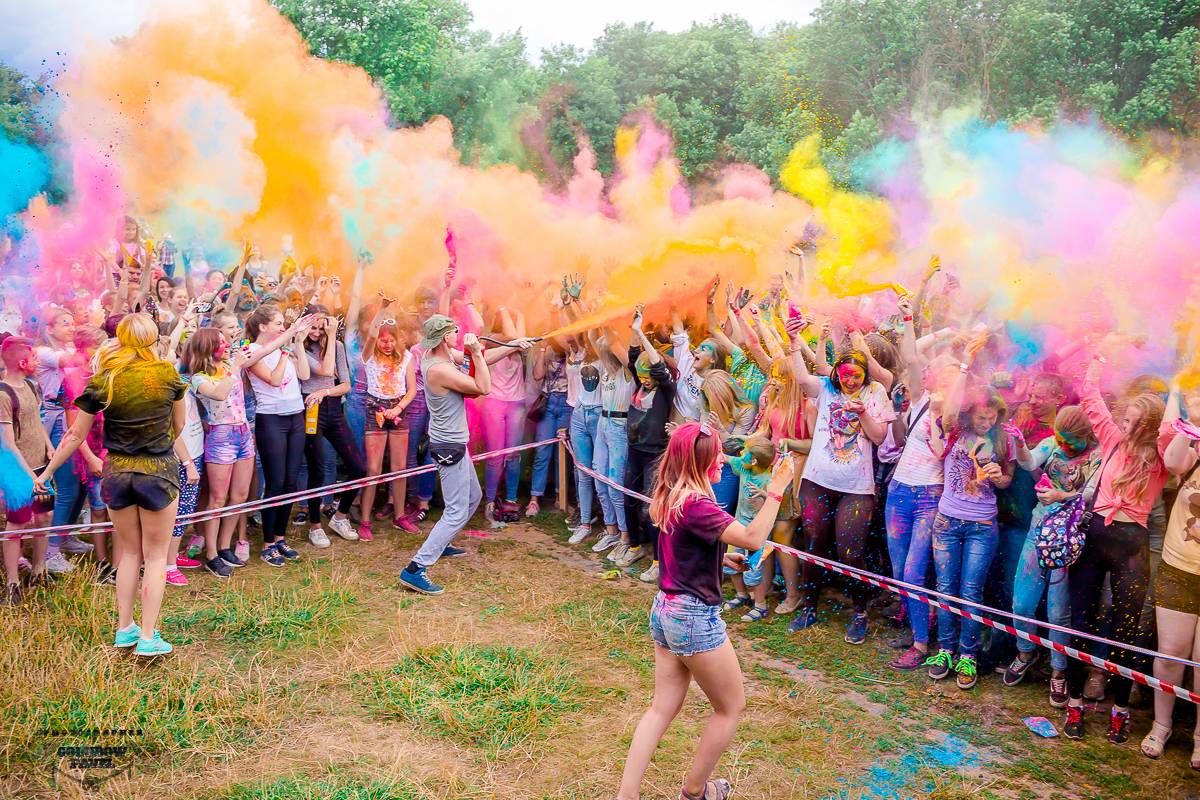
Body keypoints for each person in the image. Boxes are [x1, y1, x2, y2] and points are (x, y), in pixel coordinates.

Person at [615, 422, 793, 800]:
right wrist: (777, 489)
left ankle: (625, 796)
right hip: (693, 619)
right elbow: (752, 537)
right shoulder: (698, 504)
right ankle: (696, 791)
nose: (724, 460)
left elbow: (682, 549)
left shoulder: (672, 493)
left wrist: (720, 558)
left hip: (666, 610)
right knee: (731, 708)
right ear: (701, 461)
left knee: (661, 709)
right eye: (716, 454)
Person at [35, 314, 193, 657]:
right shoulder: (167, 374)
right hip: (158, 472)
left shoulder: (105, 377)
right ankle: (148, 636)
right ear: (152, 338)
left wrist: (46, 474)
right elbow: (178, 425)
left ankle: (125, 629)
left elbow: (75, 434)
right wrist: (154, 441)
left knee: (130, 553)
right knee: (153, 557)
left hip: (116, 472)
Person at [1064, 344, 1178, 742]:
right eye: (1124, 418)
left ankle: (1119, 710)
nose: (1123, 424)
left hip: (1132, 542)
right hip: (1096, 533)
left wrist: (1175, 393)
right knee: (1081, 620)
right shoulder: (1112, 438)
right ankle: (1076, 705)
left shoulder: (1162, 457)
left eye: (1132, 421)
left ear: (1147, 427)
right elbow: (1090, 397)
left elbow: (1169, 432)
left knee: (1125, 629)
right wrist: (1099, 357)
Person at [398, 314, 533, 595]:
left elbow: (483, 355)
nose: (458, 333)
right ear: (444, 337)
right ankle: (415, 569)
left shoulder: (443, 354)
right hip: (449, 446)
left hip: (453, 442)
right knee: (457, 509)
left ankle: (441, 541)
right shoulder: (438, 368)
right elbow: (483, 387)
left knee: (472, 497)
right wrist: (474, 353)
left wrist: (513, 345)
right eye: (453, 331)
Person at [790, 343, 894, 643]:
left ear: (865, 376)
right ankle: (809, 608)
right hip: (817, 481)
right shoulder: (825, 388)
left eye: (856, 376)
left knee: (851, 552)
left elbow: (877, 437)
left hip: (857, 489)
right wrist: (795, 346)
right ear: (836, 373)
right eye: (845, 375)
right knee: (813, 544)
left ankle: (859, 613)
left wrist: (862, 414)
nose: (850, 381)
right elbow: (801, 378)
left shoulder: (875, 393)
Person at [926, 337, 1014, 690]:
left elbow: (1007, 480)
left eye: (991, 418)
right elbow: (948, 411)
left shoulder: (1003, 438)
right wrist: (965, 364)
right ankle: (945, 651)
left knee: (971, 591)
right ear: (969, 414)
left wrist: (999, 477)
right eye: (981, 416)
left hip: (982, 525)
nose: (986, 422)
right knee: (946, 588)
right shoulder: (955, 430)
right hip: (947, 521)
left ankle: (968, 655)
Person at [1002, 406, 1100, 706]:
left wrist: (1061, 496)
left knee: (1059, 613)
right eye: (1061, 439)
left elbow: (1093, 494)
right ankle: (1025, 652)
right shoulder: (1054, 443)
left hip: (1070, 539)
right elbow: (1030, 460)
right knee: (1022, 602)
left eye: (1072, 441)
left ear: (1086, 436)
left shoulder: (1099, 455)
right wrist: (1020, 443)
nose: (1065, 446)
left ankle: (1059, 672)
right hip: (1038, 531)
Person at [1142, 380, 1200, 765]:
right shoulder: (1194, 451)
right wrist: (1190, 421)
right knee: (1171, 653)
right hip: (1178, 567)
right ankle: (1161, 726)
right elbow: (1173, 462)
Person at [244, 304, 316, 567]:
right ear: (263, 327)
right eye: (278, 324)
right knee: (275, 483)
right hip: (271, 420)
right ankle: (267, 544)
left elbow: (305, 375)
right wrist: (286, 349)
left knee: (290, 483)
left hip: (295, 416)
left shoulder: (284, 347)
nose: (282, 328)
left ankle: (280, 538)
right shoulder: (252, 351)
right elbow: (273, 380)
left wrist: (297, 343)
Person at [615, 304, 677, 572]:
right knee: (628, 498)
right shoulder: (641, 381)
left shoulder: (666, 389)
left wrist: (642, 333)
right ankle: (634, 547)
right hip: (634, 450)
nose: (644, 382)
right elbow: (632, 357)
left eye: (648, 378)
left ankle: (657, 561)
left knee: (650, 508)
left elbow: (658, 369)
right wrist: (634, 330)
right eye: (640, 378)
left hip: (655, 454)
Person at [300, 307, 366, 545]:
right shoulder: (300, 347)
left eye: (321, 327)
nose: (316, 332)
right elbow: (325, 371)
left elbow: (346, 384)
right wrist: (319, 391)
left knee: (359, 468)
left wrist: (325, 391)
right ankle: (315, 525)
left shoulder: (336, 347)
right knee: (317, 470)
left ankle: (340, 516)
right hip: (310, 411)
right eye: (312, 327)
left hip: (333, 408)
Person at [0, 336, 55, 604]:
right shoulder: (3, 394)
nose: (37, 361)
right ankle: (12, 583)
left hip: (41, 466)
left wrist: (49, 447)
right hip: (19, 472)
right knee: (18, 522)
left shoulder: (32, 386)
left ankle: (38, 569)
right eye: (33, 357)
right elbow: (8, 443)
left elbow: (37, 422)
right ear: (22, 361)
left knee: (44, 517)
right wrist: (31, 477)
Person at [357, 297, 418, 537]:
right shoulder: (369, 355)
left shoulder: (407, 358)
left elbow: (412, 388)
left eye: (392, 340)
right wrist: (382, 310)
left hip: (399, 410)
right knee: (373, 470)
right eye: (384, 340)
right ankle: (364, 522)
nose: (388, 344)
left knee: (399, 468)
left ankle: (400, 516)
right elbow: (371, 336)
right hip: (376, 410)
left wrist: (399, 409)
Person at [527, 340, 572, 516]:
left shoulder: (572, 352)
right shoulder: (549, 350)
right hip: (549, 402)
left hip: (567, 404)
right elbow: (537, 375)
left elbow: (572, 373)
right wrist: (543, 349)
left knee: (563, 454)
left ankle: (560, 498)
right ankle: (534, 499)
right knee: (542, 451)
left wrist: (567, 351)